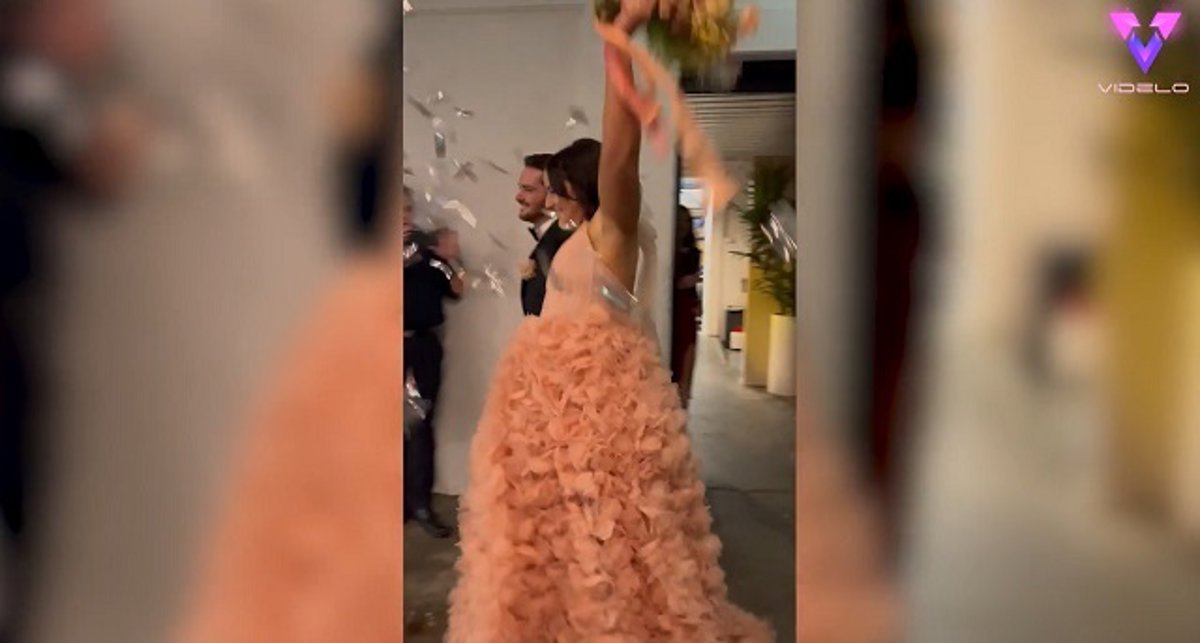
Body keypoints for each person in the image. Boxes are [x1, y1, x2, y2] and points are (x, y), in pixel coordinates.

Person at [444, 0, 774, 638]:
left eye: (556, 184)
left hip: (598, 413)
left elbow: (620, 156)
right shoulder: (571, 237)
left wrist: (621, 40)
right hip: (549, 414)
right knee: (556, 543)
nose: (548, 193)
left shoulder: (611, 230)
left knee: (610, 540)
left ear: (579, 185)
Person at [402, 187, 463, 539]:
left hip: (423, 346)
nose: (404, 216)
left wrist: (451, 259)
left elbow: (457, 290)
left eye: (407, 209)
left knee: (421, 424)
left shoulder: (427, 249)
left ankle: (420, 504)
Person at [517, 152, 573, 316]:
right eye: (520, 188)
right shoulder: (550, 241)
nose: (518, 197)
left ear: (552, 192)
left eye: (528, 190)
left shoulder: (564, 242)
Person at [671, 204, 701, 407]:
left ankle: (684, 397)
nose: (683, 226)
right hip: (673, 307)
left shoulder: (693, 252)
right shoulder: (667, 249)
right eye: (680, 221)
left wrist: (697, 302)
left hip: (686, 308)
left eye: (686, 222)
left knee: (688, 352)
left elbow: (691, 284)